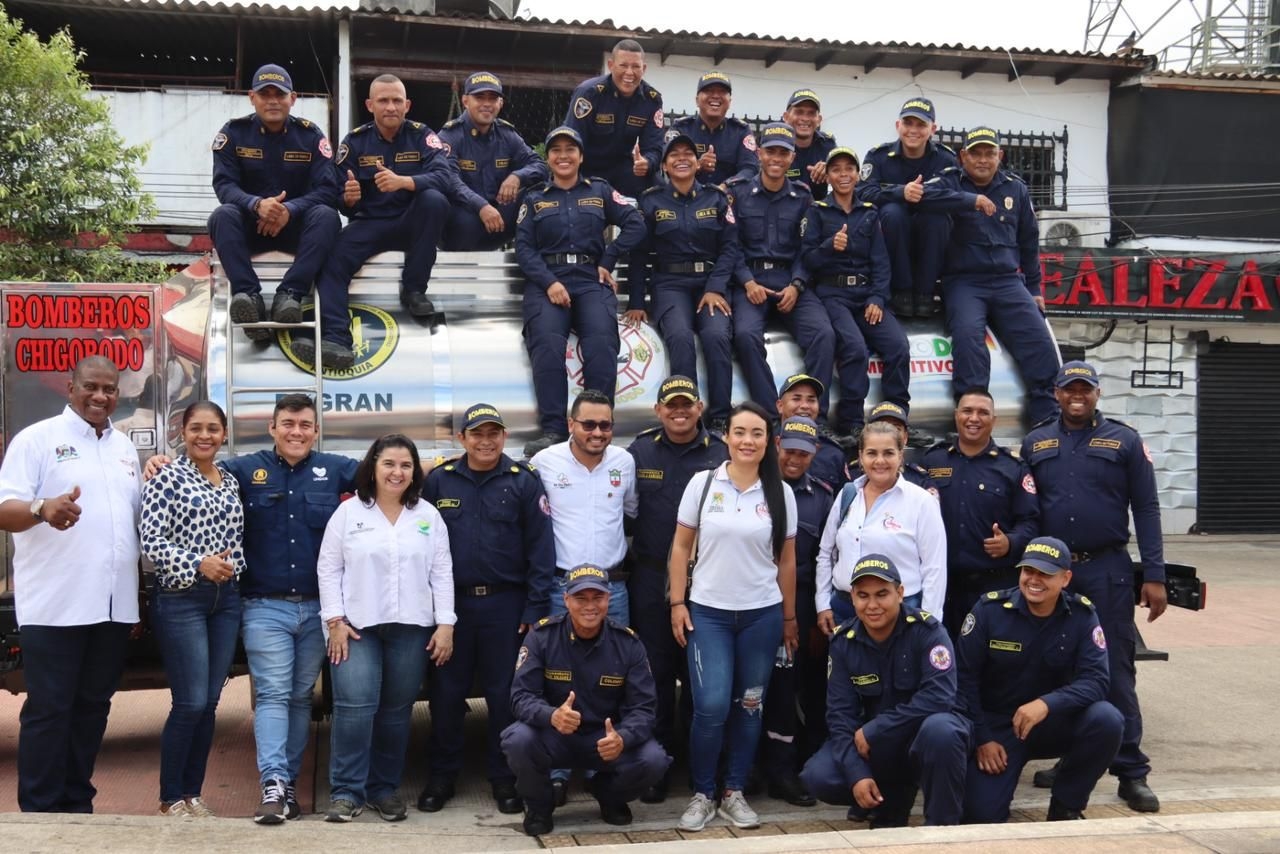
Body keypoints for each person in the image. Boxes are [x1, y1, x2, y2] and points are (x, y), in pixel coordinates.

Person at [1021, 361, 1167, 813]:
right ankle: (1076, 758)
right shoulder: (1036, 441)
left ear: (1097, 394)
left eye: (1085, 389)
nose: (1077, 396)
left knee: (1115, 669)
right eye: (1069, 389)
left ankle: (1131, 771)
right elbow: (1024, 509)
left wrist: (1156, 575)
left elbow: (1146, 508)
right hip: (1053, 574)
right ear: (1057, 394)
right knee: (1059, 669)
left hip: (1107, 571)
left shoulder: (1124, 440)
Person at [0, 356, 140, 813]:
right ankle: (40, 811)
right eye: (91, 387)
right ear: (70, 387)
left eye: (110, 389)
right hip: (56, 605)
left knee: (93, 707)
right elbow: (5, 509)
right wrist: (42, 508)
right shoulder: (37, 439)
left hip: (113, 606)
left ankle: (77, 801)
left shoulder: (123, 447)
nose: (101, 397)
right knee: (49, 710)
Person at [220, 394, 359, 822]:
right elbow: (199, 473)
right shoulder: (244, 469)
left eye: (304, 424)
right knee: (275, 695)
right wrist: (159, 463)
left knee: (300, 698)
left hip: (320, 609)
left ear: (316, 431)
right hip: (265, 607)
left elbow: (395, 472)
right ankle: (274, 783)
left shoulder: (337, 469)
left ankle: (288, 788)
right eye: (288, 423)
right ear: (272, 428)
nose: (296, 431)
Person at [418, 404, 556, 815]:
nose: (485, 441)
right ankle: (442, 776)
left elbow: (541, 550)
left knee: (503, 696)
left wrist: (534, 607)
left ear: (504, 436)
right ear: (461, 439)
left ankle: (502, 777)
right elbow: (421, 542)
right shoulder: (440, 482)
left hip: (506, 606)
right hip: (452, 607)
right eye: (477, 433)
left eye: (494, 433)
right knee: (446, 695)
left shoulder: (523, 482)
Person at [669, 401, 798, 832]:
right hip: (709, 613)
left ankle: (733, 791)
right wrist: (677, 602)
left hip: (762, 614)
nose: (748, 440)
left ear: (769, 440)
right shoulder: (704, 484)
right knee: (709, 705)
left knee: (750, 705)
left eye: (757, 433)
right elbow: (682, 547)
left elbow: (786, 562)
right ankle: (703, 792)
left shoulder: (781, 492)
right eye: (740, 432)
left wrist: (789, 618)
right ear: (727, 436)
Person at [318, 434, 455, 822]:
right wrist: (335, 621)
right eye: (389, 464)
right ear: (373, 467)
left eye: (406, 465)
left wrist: (446, 624)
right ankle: (346, 792)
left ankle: (384, 789)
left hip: (412, 628)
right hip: (356, 629)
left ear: (415, 471)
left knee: (396, 713)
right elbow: (328, 568)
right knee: (354, 710)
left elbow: (442, 572)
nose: (397, 472)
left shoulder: (428, 515)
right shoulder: (349, 513)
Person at [955, 536, 1124, 823]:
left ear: (1066, 578)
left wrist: (1046, 704)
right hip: (999, 729)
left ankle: (1066, 804)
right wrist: (982, 738)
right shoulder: (989, 611)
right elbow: (963, 679)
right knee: (982, 817)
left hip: (1053, 722)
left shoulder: (1082, 616)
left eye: (1045, 574)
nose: (1034, 580)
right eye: (1028, 571)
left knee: (1107, 719)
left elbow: (1096, 681)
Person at [800, 555, 969, 827]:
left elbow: (940, 697)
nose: (872, 605)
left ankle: (942, 829)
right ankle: (886, 799)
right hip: (877, 749)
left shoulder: (928, 632)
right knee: (819, 776)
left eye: (882, 594)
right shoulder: (844, 642)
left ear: (900, 593)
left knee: (942, 731)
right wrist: (857, 774)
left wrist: (878, 728)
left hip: (920, 741)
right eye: (863, 596)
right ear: (852, 598)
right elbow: (840, 715)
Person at [501, 564, 670, 836]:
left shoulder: (628, 644)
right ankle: (540, 806)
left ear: (609, 599)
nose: (590, 606)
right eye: (581, 598)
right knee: (517, 739)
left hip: (604, 741)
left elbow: (644, 708)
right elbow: (520, 697)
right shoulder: (541, 637)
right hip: (555, 736)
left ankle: (609, 795)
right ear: (566, 600)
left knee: (654, 759)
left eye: (597, 598)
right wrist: (551, 715)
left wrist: (623, 738)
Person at [529, 387, 639, 802]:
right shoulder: (544, 462)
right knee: (558, 679)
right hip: (563, 588)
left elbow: (631, 513)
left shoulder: (624, 463)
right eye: (588, 424)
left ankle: (600, 767)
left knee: (612, 680)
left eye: (605, 425)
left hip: (613, 588)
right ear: (571, 424)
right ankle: (557, 770)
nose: (597, 432)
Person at [315, 75, 469, 367]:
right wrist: (348, 198)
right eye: (383, 100)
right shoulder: (355, 142)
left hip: (412, 223)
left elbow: (445, 177)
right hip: (370, 222)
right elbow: (336, 195)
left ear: (407, 105)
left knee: (435, 200)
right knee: (332, 263)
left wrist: (404, 182)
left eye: (397, 100)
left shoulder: (422, 135)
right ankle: (336, 338)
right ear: (370, 104)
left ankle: (414, 289)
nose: (390, 107)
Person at [139, 401, 245, 818]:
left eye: (213, 429)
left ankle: (193, 793)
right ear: (182, 432)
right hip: (182, 597)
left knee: (211, 702)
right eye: (197, 428)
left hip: (226, 599)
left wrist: (231, 567)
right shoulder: (165, 475)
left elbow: (236, 537)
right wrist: (198, 563)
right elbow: (151, 541)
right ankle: (170, 797)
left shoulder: (230, 480)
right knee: (189, 702)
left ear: (224, 434)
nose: (205, 436)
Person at [625, 376, 727, 803]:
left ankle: (699, 763)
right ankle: (660, 763)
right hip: (649, 578)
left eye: (687, 404)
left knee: (701, 675)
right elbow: (626, 513)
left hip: (705, 578)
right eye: (671, 405)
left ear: (700, 407)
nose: (679, 411)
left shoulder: (721, 453)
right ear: (659, 410)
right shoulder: (640, 450)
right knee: (656, 674)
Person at [515, 126, 646, 457]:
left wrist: (610, 257)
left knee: (602, 344)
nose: (563, 155)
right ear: (548, 158)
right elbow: (524, 249)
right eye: (555, 150)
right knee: (546, 345)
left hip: (591, 278)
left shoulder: (600, 190)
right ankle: (555, 431)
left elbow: (636, 223)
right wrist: (549, 283)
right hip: (548, 281)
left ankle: (596, 426)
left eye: (570, 149)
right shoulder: (534, 198)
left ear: (581, 156)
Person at [918, 126, 1059, 425]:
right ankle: (972, 417)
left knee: (1040, 342)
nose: (983, 160)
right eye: (976, 154)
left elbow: (1029, 241)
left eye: (989, 153)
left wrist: (1034, 288)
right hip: (964, 282)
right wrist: (970, 200)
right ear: (963, 156)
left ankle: (1047, 422)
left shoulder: (1016, 188)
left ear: (1000, 156)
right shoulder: (949, 180)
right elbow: (924, 197)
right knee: (969, 340)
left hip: (1008, 282)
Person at [209, 63, 341, 341]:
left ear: (292, 99)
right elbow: (224, 185)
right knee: (222, 215)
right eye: (265, 93)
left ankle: (290, 295)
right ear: (251, 97)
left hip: (296, 230)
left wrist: (289, 211)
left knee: (328, 217)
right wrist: (257, 205)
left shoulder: (311, 136)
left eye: (279, 94)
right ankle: (248, 297)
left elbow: (327, 189)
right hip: (250, 227)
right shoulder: (233, 133)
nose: (272, 100)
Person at [626, 130, 741, 433]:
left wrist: (716, 287)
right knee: (679, 337)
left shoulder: (716, 198)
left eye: (687, 154)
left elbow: (730, 247)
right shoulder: (651, 201)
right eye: (673, 155)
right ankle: (685, 415)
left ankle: (718, 417)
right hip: (669, 284)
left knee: (717, 337)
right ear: (664, 165)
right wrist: (637, 302)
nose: (681, 159)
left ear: (697, 161)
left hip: (709, 284)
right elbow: (639, 253)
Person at [800, 147, 910, 445]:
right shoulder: (817, 210)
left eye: (849, 169)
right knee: (854, 348)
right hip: (832, 293)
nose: (844, 175)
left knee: (898, 346)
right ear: (829, 176)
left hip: (866, 295)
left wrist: (877, 298)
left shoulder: (869, 213)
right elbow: (807, 259)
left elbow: (881, 263)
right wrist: (828, 246)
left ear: (858, 174)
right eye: (836, 170)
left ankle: (897, 417)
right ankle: (851, 423)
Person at [728, 123, 836, 421]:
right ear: (760, 153)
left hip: (790, 281)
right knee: (746, 337)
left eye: (783, 153)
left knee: (824, 335)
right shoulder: (738, 193)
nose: (776, 158)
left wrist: (797, 285)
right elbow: (730, 245)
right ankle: (771, 415)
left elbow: (807, 248)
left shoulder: (802, 196)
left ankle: (815, 418)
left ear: (792, 159)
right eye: (771, 151)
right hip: (751, 283)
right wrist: (747, 282)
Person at [758, 416, 835, 806]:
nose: (794, 458)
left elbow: (828, 558)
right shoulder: (755, 488)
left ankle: (797, 768)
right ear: (776, 445)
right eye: (789, 449)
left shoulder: (823, 496)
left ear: (814, 453)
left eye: (804, 452)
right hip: (755, 599)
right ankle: (765, 768)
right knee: (761, 688)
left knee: (805, 687)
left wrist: (820, 612)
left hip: (803, 602)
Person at [923, 389, 1039, 637]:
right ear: (956, 416)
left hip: (993, 587)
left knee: (993, 664)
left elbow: (1031, 522)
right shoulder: (934, 461)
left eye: (983, 412)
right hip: (944, 587)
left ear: (993, 420)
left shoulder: (1012, 467)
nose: (973, 418)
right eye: (967, 411)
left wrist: (1011, 542)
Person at [816, 421, 946, 631]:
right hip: (843, 610)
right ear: (860, 456)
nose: (880, 461)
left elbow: (935, 568)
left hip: (900, 613)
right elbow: (825, 554)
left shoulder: (922, 502)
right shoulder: (847, 494)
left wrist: (929, 622)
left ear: (901, 455)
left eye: (888, 453)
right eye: (871, 453)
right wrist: (823, 604)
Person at [859, 97, 958, 319]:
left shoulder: (946, 158)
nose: (913, 130)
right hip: (890, 237)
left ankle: (925, 293)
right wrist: (901, 192)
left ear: (933, 129)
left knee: (938, 218)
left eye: (921, 125)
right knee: (893, 212)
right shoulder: (878, 156)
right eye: (908, 123)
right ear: (898, 126)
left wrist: (921, 195)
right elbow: (863, 192)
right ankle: (902, 291)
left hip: (932, 236)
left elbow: (952, 192)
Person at [437, 71, 549, 251]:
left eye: (493, 98)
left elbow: (540, 166)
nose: (487, 104)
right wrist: (481, 206)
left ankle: (534, 259)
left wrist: (517, 177)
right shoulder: (450, 135)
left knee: (541, 192)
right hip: (461, 224)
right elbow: (449, 180)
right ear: (465, 101)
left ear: (500, 103)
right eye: (480, 97)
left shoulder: (507, 134)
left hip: (497, 221)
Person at [562, 39, 664, 199]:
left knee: (661, 193)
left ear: (643, 69)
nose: (629, 72)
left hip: (623, 168)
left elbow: (655, 147)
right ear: (611, 65)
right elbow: (571, 139)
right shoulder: (589, 93)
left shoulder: (652, 100)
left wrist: (647, 163)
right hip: (587, 168)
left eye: (636, 66)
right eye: (623, 65)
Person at [670, 71, 758, 188]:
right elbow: (668, 166)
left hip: (729, 198)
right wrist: (697, 166)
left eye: (722, 92)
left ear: (730, 102)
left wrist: (726, 186)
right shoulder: (681, 128)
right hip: (688, 199)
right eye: (709, 91)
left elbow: (750, 169)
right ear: (697, 100)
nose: (716, 96)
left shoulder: (740, 131)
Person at [776, 372, 848, 492]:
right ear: (780, 406)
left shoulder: (833, 453)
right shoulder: (763, 446)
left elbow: (844, 503)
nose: (805, 406)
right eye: (796, 399)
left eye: (811, 400)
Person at [857, 402, 935, 490]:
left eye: (896, 428)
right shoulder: (853, 479)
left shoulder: (919, 481)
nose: (888, 433)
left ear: (905, 437)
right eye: (879, 427)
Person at [782, 89, 838, 201]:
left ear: (819, 120)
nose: (805, 118)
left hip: (817, 213)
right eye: (799, 112)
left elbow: (846, 179)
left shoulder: (827, 145)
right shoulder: (776, 144)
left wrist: (831, 171)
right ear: (786, 117)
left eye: (811, 113)